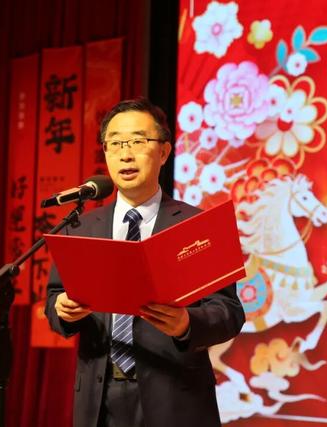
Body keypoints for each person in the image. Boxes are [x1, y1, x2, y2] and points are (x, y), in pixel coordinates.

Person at [45, 98, 245, 427]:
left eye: (138, 141)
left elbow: (229, 312)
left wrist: (186, 324)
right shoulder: (82, 228)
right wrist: (63, 311)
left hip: (175, 398)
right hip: (99, 400)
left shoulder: (197, 227)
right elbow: (54, 301)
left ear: (163, 152)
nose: (125, 154)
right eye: (115, 143)